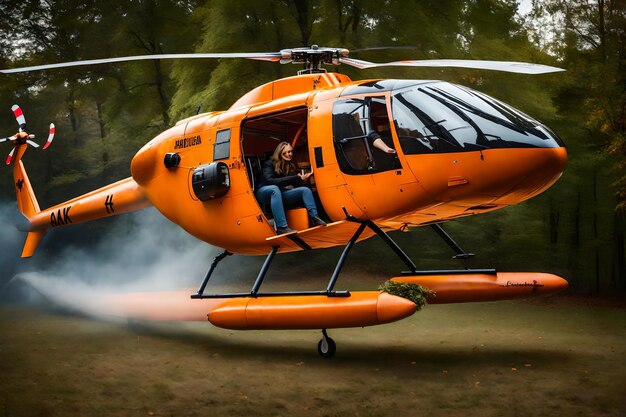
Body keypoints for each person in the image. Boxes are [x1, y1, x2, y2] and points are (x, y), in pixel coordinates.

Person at [255, 141, 327, 234]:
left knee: (305, 191)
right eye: (287, 152)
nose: (290, 154)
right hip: (264, 191)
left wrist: (303, 178)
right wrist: (296, 178)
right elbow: (270, 181)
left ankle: (315, 218)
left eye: (291, 152)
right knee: (274, 189)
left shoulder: (290, 165)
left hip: (279, 193)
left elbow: (292, 182)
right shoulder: (269, 163)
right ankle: (282, 227)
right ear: (280, 152)